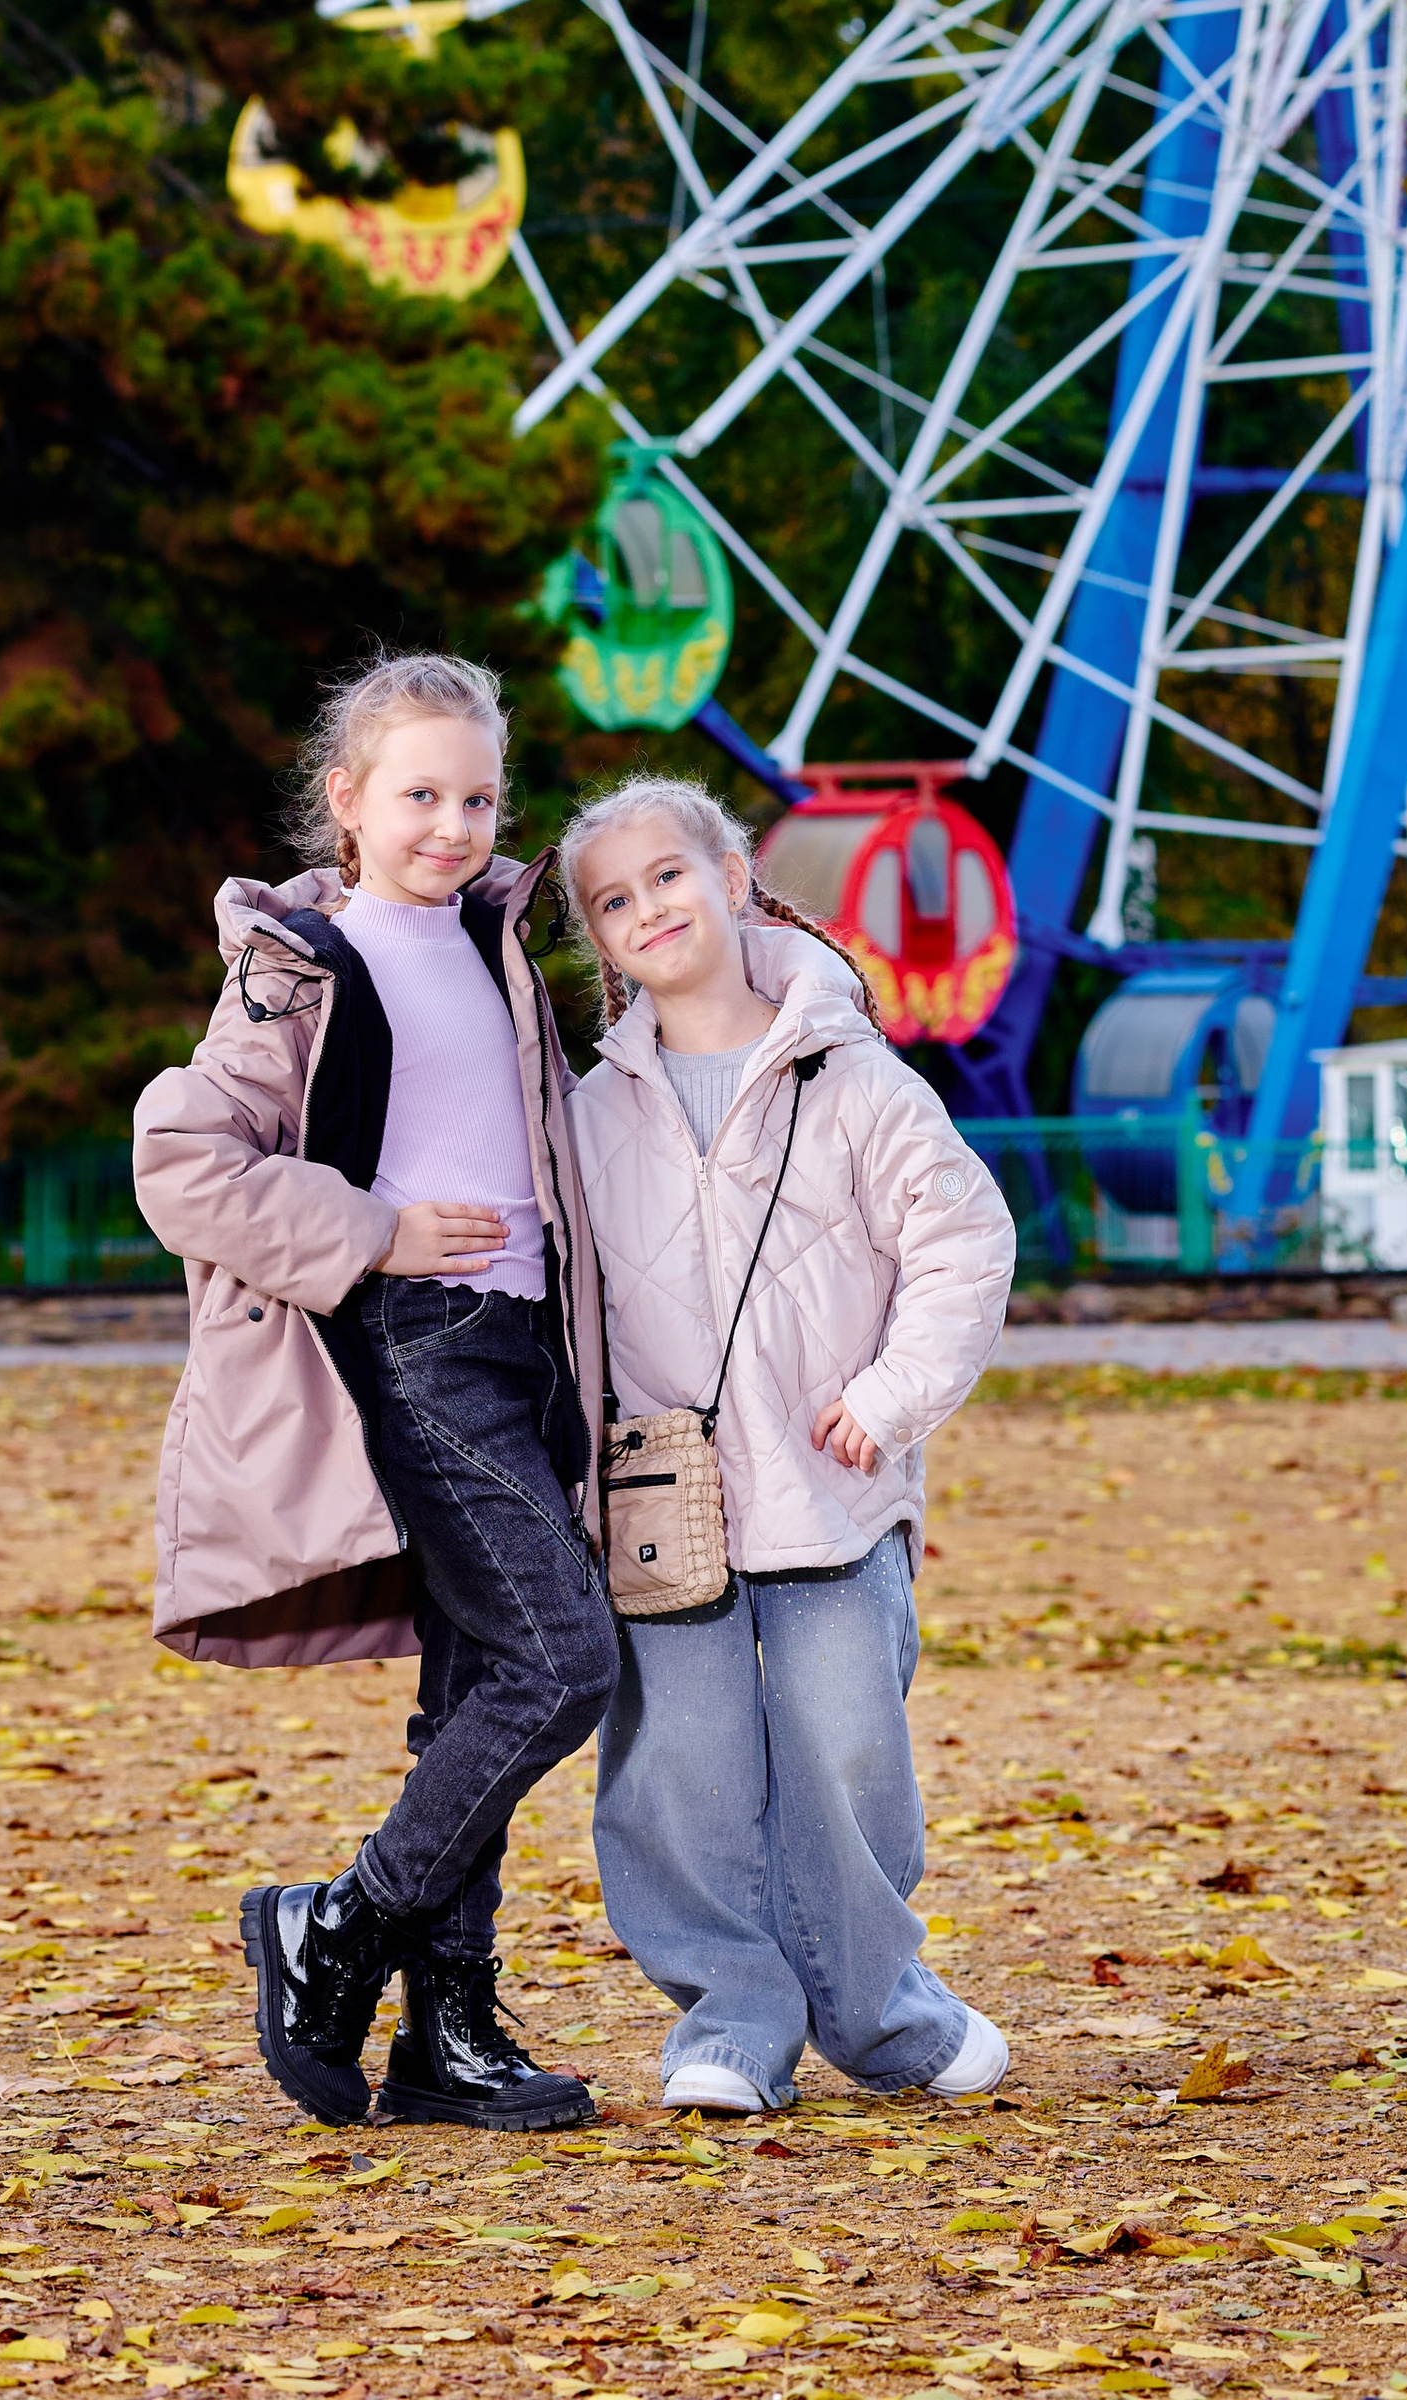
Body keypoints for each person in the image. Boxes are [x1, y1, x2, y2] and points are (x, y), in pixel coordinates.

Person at [132, 648, 616, 2133]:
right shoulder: (301, 967)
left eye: (478, 796)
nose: (453, 825)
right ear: (345, 800)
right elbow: (180, 1159)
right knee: (562, 1659)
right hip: (415, 1341)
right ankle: (336, 1924)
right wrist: (371, 1232)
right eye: (418, 794)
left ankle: (446, 2037)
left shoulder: (498, 942)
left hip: (534, 1348)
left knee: (478, 1682)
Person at [558, 770, 1017, 2115]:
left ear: (733, 873)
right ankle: (729, 2026)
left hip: (832, 1484)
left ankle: (886, 2018)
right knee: (680, 1770)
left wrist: (887, 1398)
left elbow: (962, 1246)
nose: (649, 908)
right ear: (595, 937)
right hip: (662, 1500)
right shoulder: (588, 1114)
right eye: (613, 899)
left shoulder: (858, 1079)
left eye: (668, 876)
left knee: (847, 1752)